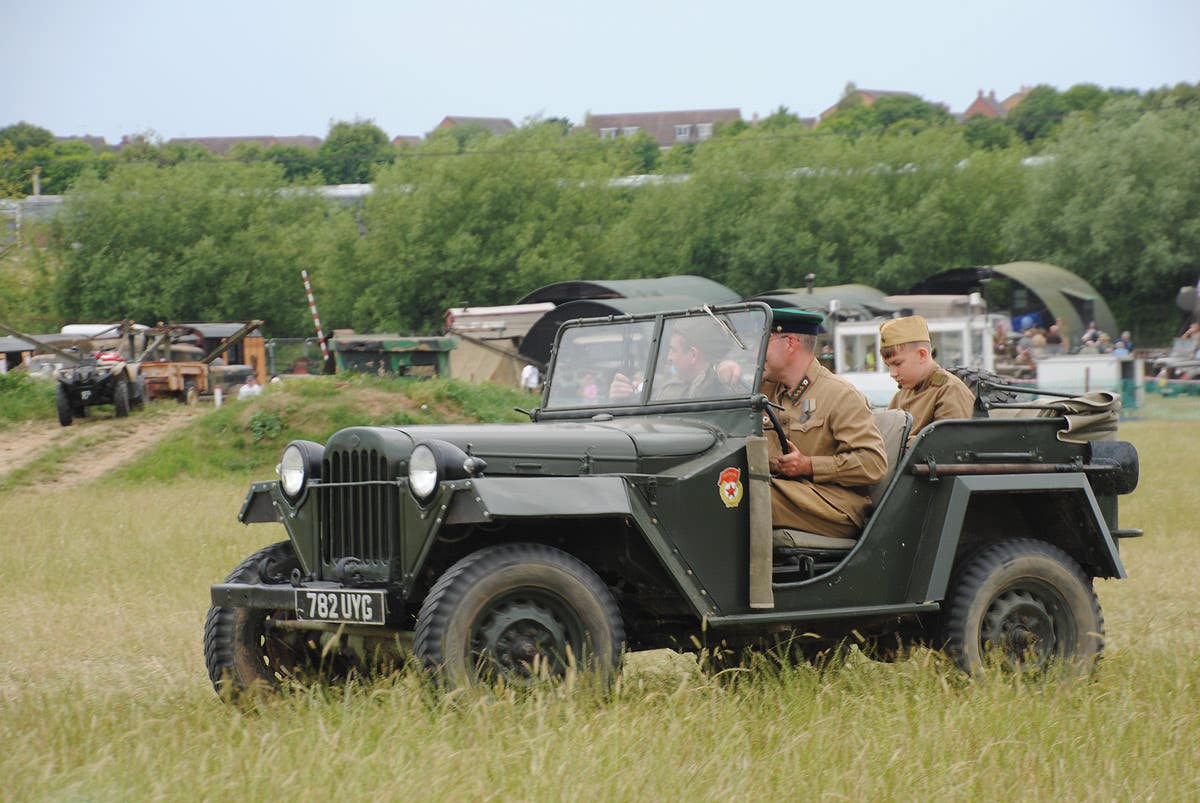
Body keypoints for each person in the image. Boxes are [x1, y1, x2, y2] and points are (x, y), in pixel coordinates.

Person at [764, 308, 886, 541]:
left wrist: (809, 466)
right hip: (790, 493)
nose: (757, 352)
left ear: (790, 343)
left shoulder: (839, 395)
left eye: (765, 342)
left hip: (833, 505)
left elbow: (873, 464)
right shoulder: (767, 390)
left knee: (746, 496)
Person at [880, 315, 976, 448]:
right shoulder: (903, 394)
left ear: (922, 355)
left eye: (897, 363)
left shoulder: (950, 390)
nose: (892, 373)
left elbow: (949, 447)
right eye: (888, 366)